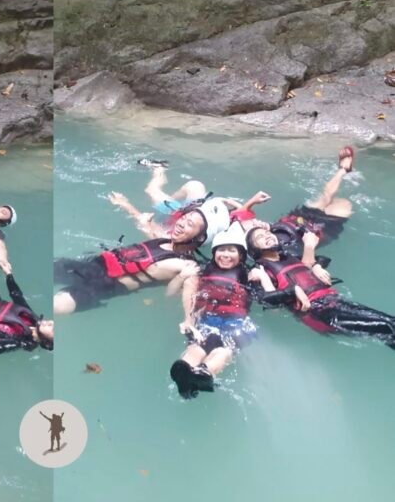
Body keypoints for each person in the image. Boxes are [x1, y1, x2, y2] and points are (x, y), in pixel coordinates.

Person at [53, 196, 230, 314]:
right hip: (92, 266)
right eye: (184, 218)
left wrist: (181, 278)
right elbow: (145, 222)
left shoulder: (187, 266)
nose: (181, 223)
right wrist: (125, 204)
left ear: (200, 237)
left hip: (104, 286)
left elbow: (171, 295)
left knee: (58, 306)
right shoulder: (164, 239)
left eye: (190, 224)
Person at [170, 222, 273, 399]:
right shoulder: (202, 270)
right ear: (213, 253)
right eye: (221, 250)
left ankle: (205, 373)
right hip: (206, 320)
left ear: (241, 255)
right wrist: (182, 277)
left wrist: (263, 278)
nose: (225, 255)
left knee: (223, 351)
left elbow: (272, 303)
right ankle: (184, 375)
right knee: (196, 349)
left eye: (231, 251)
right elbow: (172, 292)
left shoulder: (249, 275)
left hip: (236, 323)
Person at [249, 227, 395, 348]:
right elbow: (266, 301)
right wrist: (293, 290)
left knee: (391, 323)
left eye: (268, 232)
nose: (267, 235)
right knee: (386, 327)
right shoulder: (259, 271)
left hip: (334, 302)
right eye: (260, 237)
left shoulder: (289, 257)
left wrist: (316, 266)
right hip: (318, 313)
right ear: (254, 248)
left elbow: (322, 259)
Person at [232, 146, 356, 260]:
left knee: (326, 197)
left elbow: (240, 215)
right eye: (259, 236)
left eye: (256, 227)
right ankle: (343, 171)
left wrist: (252, 202)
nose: (258, 225)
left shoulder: (259, 231)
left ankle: (343, 169)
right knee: (344, 205)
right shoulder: (282, 254)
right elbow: (307, 265)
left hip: (296, 220)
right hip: (319, 230)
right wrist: (309, 247)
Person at [137, 158, 207, 218]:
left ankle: (159, 170)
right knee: (195, 185)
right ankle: (169, 200)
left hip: (180, 218)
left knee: (151, 190)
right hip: (190, 213)